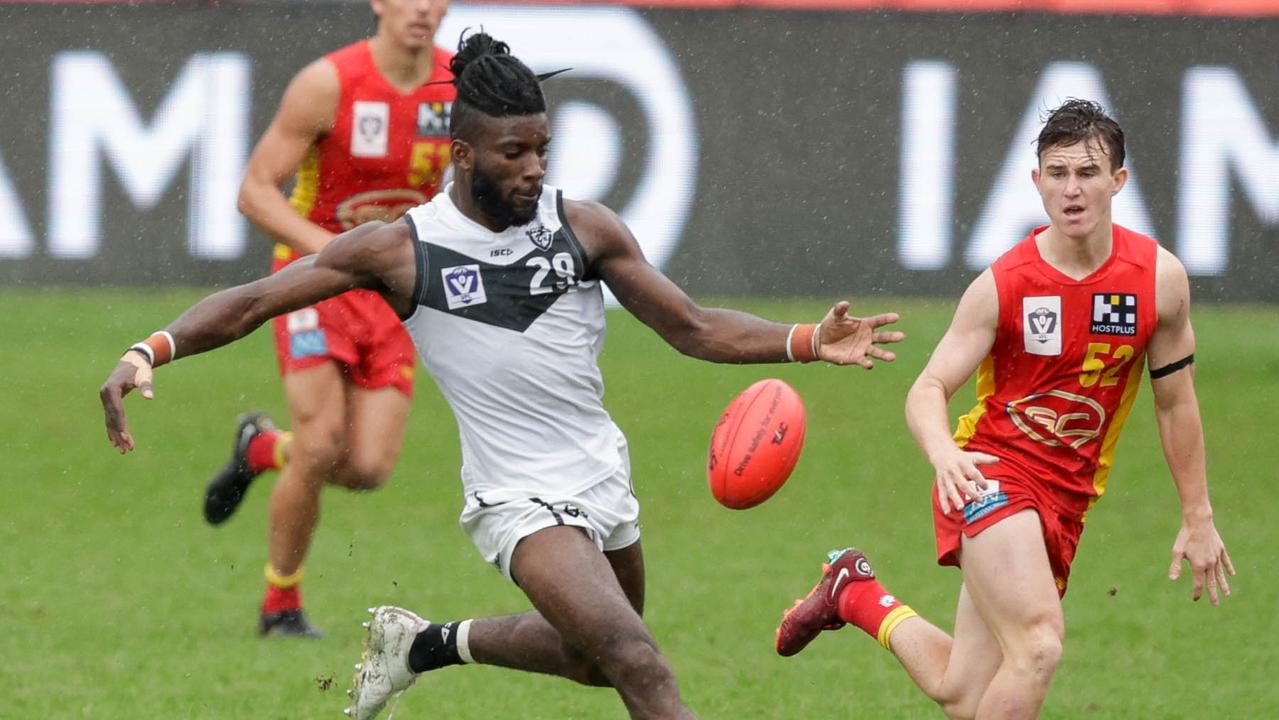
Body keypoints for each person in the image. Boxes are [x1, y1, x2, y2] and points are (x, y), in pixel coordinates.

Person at [100, 32, 904, 720]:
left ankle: (423, 643)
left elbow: (691, 328)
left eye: (542, 150)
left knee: (592, 661)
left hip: (601, 475)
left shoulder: (583, 227)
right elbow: (253, 302)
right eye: (513, 153)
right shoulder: (400, 249)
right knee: (640, 662)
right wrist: (149, 351)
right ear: (462, 156)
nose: (532, 169)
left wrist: (807, 339)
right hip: (513, 498)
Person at [773, 99, 1235, 720]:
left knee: (964, 692)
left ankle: (855, 594)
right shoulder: (1005, 284)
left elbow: (1176, 402)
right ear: (1036, 181)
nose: (1072, 190)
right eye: (1057, 172)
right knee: (1039, 646)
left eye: (1088, 173)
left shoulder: (1159, 280)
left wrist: (1197, 515)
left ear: (1118, 182)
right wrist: (944, 455)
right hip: (991, 474)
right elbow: (927, 388)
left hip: (1068, 496)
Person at [200, 0, 455, 637]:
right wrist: (334, 255)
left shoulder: (459, 86)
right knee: (319, 444)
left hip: (395, 290)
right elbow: (255, 189)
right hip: (313, 282)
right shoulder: (329, 83)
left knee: (367, 467)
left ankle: (261, 449)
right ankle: (279, 604)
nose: (423, 7)